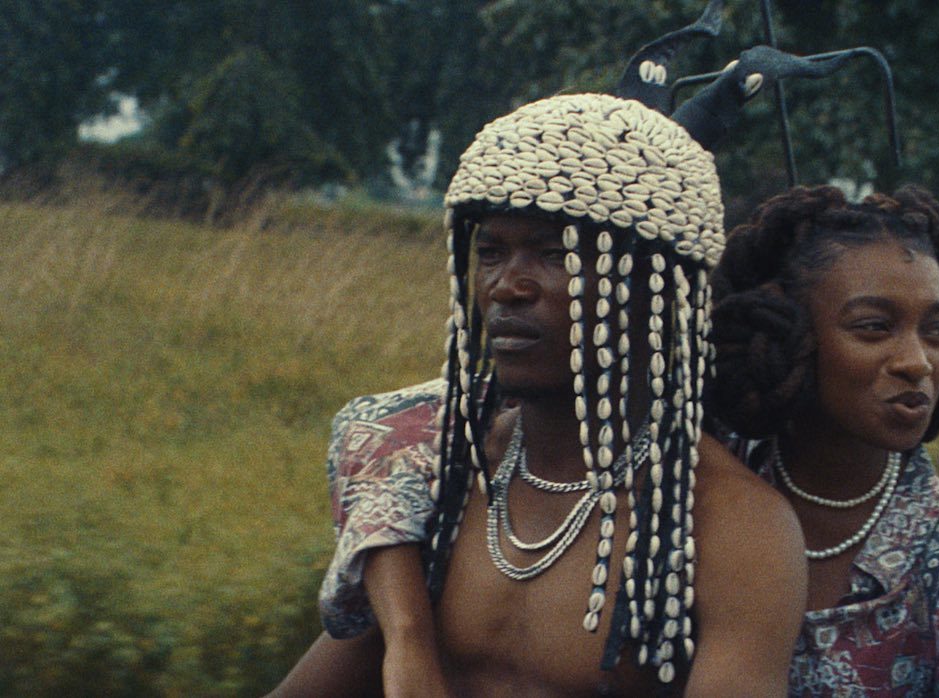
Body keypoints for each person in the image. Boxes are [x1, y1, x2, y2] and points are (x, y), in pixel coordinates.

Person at [272, 90, 807, 697]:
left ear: (657, 289)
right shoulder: (439, 473)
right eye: (491, 253)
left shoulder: (730, 527)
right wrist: (409, 640)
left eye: (556, 254)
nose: (507, 286)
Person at [707, 184, 939, 696]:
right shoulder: (706, 478)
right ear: (789, 334)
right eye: (875, 327)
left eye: (937, 331)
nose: (917, 362)